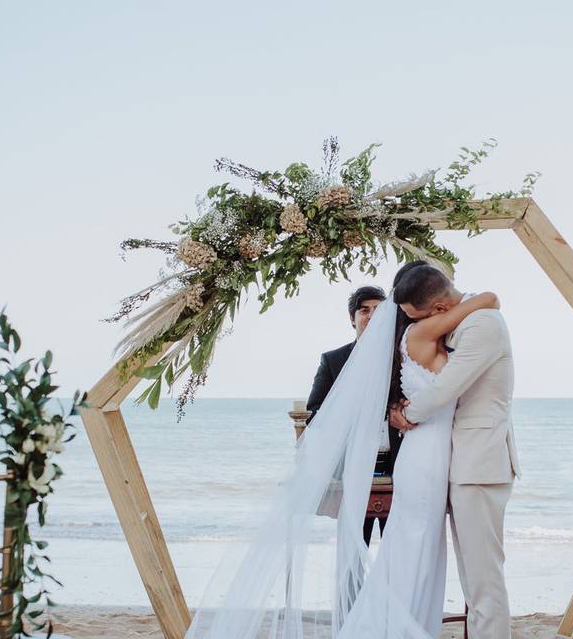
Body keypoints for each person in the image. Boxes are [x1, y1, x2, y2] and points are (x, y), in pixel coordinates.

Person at [185, 263, 507, 639]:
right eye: (365, 311)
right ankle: (390, 624)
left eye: (381, 310)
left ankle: (401, 621)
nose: (380, 318)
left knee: (410, 548)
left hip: (432, 458)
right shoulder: (418, 333)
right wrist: (484, 299)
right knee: (409, 549)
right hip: (423, 459)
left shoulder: (422, 336)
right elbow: (443, 384)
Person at [390, 260, 520, 639]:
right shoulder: (472, 315)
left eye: (419, 318)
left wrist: (406, 414)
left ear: (440, 309)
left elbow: (448, 386)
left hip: (480, 464)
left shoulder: (484, 325)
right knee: (472, 578)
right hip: (459, 463)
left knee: (483, 579)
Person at [305, 286, 402, 544]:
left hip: (399, 465)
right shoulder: (333, 360)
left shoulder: (403, 357)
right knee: (353, 545)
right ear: (352, 318)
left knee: (397, 549)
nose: (371, 316)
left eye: (379, 311)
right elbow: (314, 415)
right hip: (353, 467)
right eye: (364, 310)